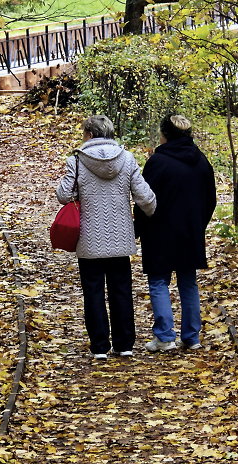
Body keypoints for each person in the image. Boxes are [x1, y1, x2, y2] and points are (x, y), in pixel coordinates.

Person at [56, 115, 157, 361]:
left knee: (93, 293)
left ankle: (100, 346)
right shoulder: (127, 158)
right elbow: (145, 197)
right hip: (121, 239)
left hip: (89, 239)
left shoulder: (77, 161)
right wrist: (151, 213)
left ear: (89, 134)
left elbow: (63, 195)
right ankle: (124, 344)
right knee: (121, 290)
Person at [135, 114, 216, 352]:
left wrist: (138, 228)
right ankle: (191, 337)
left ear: (165, 135)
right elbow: (210, 200)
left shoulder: (158, 162)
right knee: (188, 282)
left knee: (159, 281)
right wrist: (198, 225)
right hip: (190, 231)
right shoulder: (201, 161)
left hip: (159, 231)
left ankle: (165, 337)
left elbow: (144, 199)